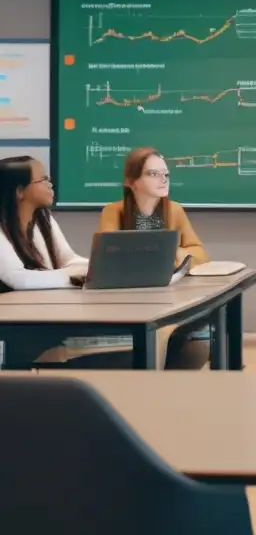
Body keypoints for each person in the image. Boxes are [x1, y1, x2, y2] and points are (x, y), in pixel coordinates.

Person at [97, 147, 211, 370]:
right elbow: (105, 255)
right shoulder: (113, 212)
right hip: (126, 297)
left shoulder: (174, 210)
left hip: (168, 294)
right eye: (153, 174)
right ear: (132, 182)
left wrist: (173, 253)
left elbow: (199, 253)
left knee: (180, 332)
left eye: (166, 174)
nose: (163, 179)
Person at [0, 156, 90, 368]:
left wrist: (99, 267)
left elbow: (68, 259)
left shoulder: (43, 218)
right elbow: (18, 278)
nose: (51, 184)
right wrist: (76, 279)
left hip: (44, 317)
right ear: (19, 191)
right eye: (43, 180)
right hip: (13, 329)